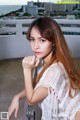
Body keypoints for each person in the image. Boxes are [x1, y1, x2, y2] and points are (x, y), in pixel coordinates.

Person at [8, 17, 80, 120]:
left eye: (42, 40)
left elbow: (31, 99)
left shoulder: (55, 70)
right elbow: (36, 87)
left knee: (28, 105)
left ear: (54, 41)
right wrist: (17, 96)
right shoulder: (41, 61)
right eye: (32, 40)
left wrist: (27, 70)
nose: (35, 46)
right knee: (28, 109)